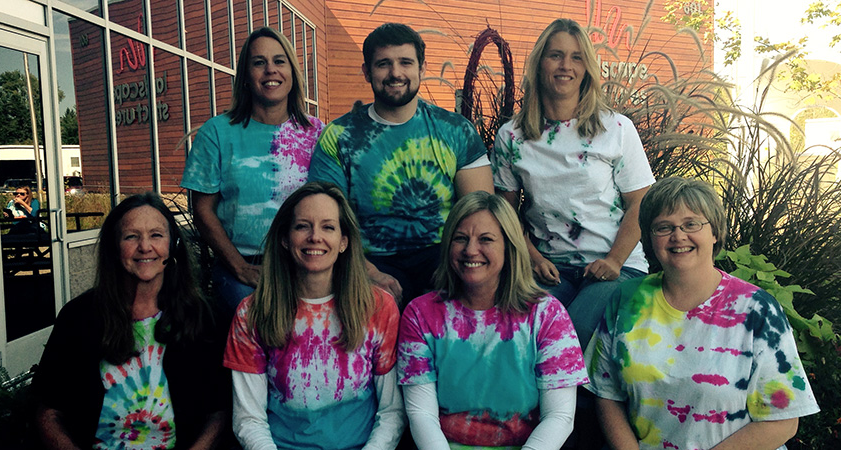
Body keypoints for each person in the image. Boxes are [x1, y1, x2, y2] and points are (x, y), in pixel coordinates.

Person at [585, 176, 820, 449]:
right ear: (649, 237)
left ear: (715, 232)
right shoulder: (627, 300)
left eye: (691, 224)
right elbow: (607, 393)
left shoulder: (757, 309)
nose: (678, 236)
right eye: (663, 227)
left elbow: (783, 421)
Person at [491, 18, 655, 349]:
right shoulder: (512, 136)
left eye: (577, 57)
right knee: (520, 331)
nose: (566, 66)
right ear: (539, 64)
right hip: (549, 268)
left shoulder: (615, 129)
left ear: (588, 69)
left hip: (616, 266)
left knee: (573, 333)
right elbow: (504, 212)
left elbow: (641, 203)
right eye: (556, 55)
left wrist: (613, 261)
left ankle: (580, 403)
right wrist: (533, 259)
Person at [308, 23, 494, 305]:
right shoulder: (338, 137)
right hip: (370, 258)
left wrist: (460, 270)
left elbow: (481, 212)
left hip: (445, 256)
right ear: (367, 72)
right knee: (377, 304)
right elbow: (325, 219)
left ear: (421, 69)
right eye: (384, 64)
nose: (395, 73)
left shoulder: (455, 130)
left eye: (405, 62)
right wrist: (367, 272)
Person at [32, 192, 229, 449]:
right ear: (114, 248)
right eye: (131, 236)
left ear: (173, 245)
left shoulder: (204, 318)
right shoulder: (78, 317)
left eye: (156, 235)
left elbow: (220, 410)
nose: (145, 246)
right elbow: (48, 411)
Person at [397, 191, 588, 449]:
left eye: (486, 239)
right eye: (460, 238)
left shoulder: (548, 315)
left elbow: (560, 417)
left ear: (509, 248)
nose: (470, 250)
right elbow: (422, 415)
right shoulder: (420, 315)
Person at [224, 181, 404, 450]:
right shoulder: (252, 313)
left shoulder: (378, 307)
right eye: (302, 226)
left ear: (344, 241)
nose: (315, 237)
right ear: (285, 238)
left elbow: (392, 412)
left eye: (328, 227)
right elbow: (249, 419)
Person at [181, 27, 324, 324]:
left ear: (293, 72)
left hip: (306, 264)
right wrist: (239, 268)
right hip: (243, 267)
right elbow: (202, 210)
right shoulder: (217, 133)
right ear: (245, 75)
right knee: (253, 329)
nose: (270, 69)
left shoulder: (317, 134)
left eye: (279, 61)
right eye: (259, 62)